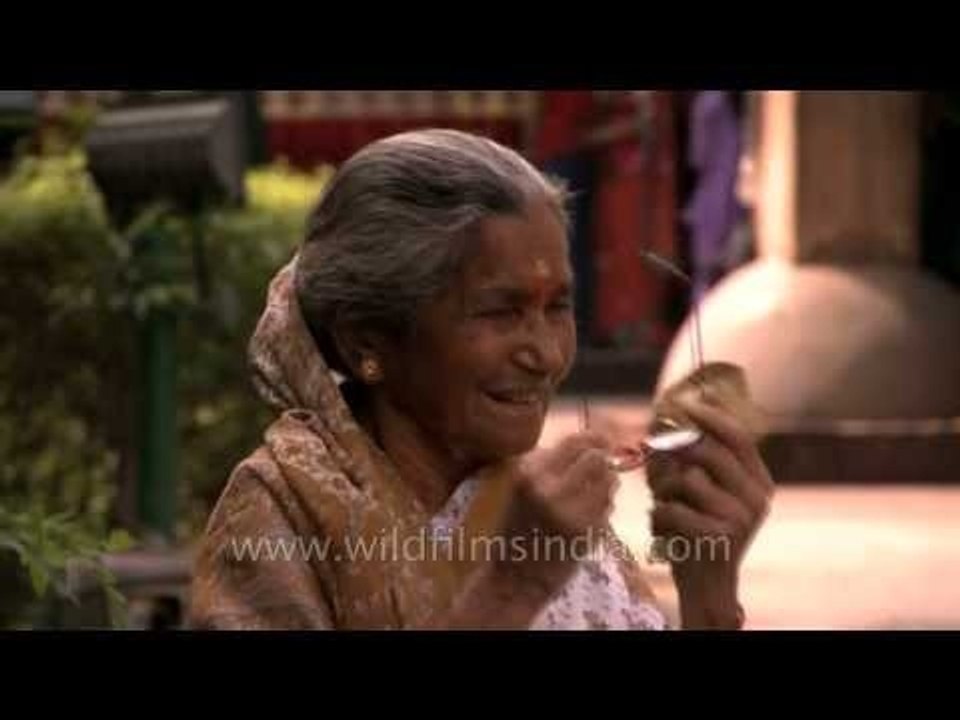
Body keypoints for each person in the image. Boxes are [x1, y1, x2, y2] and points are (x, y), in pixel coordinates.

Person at [188, 129, 773, 630]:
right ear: (366, 340)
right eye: (499, 312)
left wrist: (708, 591)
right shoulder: (279, 514)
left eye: (558, 308)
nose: (545, 354)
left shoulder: (544, 513)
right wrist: (513, 588)